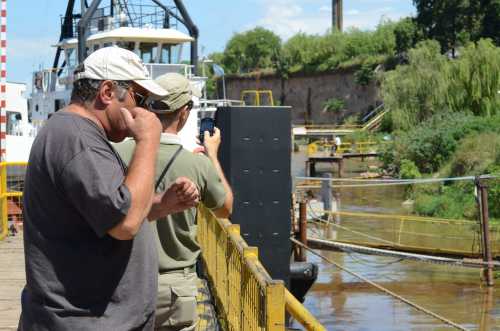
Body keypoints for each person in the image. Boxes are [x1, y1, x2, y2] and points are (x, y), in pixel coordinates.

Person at [19, 47, 200, 331]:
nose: (144, 110)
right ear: (107, 92)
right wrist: (149, 139)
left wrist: (160, 205)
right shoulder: (77, 139)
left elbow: (103, 211)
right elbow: (124, 223)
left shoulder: (79, 135)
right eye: (139, 98)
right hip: (83, 322)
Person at [115, 73, 233, 331]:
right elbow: (225, 208)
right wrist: (211, 155)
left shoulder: (115, 152)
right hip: (174, 287)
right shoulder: (196, 164)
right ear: (184, 112)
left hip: (123, 279)